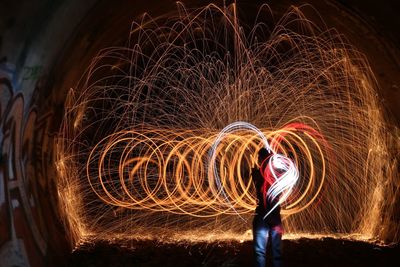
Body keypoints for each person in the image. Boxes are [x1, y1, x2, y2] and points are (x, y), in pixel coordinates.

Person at [252, 147, 283, 267]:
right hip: (274, 216)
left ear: (261, 159)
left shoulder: (257, 173)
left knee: (260, 252)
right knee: (277, 253)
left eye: (259, 158)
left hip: (262, 215)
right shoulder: (276, 174)